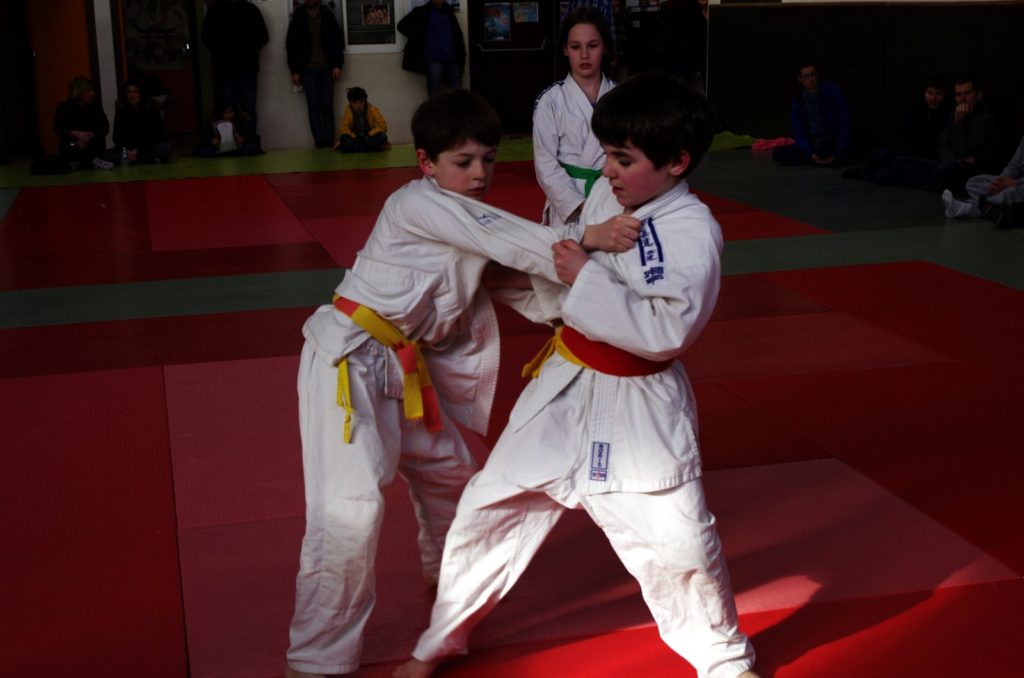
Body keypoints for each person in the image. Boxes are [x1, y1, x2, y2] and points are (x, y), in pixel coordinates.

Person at [393, 72, 760, 678]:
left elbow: (667, 331)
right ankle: (439, 642)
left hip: (639, 405)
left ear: (677, 162)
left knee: (680, 546)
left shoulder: (693, 231)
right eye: (606, 155)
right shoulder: (608, 199)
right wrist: (503, 275)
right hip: (565, 383)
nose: (606, 171)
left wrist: (583, 277)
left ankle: (725, 662)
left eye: (623, 160)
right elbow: (563, 272)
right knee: (487, 506)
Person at [284, 88, 639, 678]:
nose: (479, 174)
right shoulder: (416, 204)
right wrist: (588, 237)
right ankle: (316, 660)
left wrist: (600, 311)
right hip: (348, 361)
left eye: (488, 161)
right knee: (350, 509)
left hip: (402, 367)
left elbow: (515, 279)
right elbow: (505, 238)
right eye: (463, 161)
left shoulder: (468, 227)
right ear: (426, 162)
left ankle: (451, 583)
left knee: (452, 474)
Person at [532, 7, 616, 230]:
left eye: (593, 45)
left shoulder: (621, 97)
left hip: (613, 196)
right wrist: (579, 205)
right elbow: (545, 164)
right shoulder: (550, 101)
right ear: (565, 50)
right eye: (576, 47)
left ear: (605, 47)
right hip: (569, 205)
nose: (584, 55)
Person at [893, 75, 1003, 193]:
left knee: (946, 171)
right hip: (950, 163)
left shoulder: (986, 119)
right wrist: (951, 160)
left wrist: (958, 122)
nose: (962, 99)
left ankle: (936, 185)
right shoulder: (956, 112)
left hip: (972, 171)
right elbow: (942, 143)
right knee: (901, 163)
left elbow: (964, 151)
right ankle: (937, 184)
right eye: (958, 94)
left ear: (978, 95)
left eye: (967, 93)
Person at [848, 76, 950, 185]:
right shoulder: (917, 109)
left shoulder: (946, 114)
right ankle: (864, 171)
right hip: (907, 150)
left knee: (892, 169)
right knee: (882, 154)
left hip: (925, 157)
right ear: (924, 93)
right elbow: (905, 133)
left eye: (938, 94)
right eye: (930, 93)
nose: (934, 98)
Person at [201, 0, 269, 141]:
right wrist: (249, 51)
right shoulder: (249, 9)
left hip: (231, 66)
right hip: (241, 66)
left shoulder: (217, 10)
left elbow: (206, 37)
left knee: (236, 107)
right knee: (238, 108)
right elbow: (263, 36)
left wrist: (220, 53)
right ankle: (243, 142)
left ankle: (236, 143)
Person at [286, 0, 345, 148]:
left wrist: (337, 65)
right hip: (307, 69)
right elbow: (291, 46)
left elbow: (337, 41)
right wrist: (294, 71)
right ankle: (319, 141)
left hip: (327, 67)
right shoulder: (298, 17)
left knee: (327, 105)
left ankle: (329, 140)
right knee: (313, 106)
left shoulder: (327, 15)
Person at [773, 60, 851, 167]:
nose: (810, 79)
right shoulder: (798, 101)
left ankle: (831, 158)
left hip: (831, 141)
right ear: (799, 79)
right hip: (813, 144)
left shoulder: (831, 91)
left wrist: (840, 151)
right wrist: (811, 154)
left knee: (832, 149)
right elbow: (798, 130)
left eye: (812, 75)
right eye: (806, 77)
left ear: (817, 75)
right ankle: (821, 160)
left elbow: (844, 123)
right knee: (778, 153)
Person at [942, 132, 1024, 228]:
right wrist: (999, 182)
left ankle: (966, 208)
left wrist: (1015, 183)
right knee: (974, 182)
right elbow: (1014, 165)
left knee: (1010, 192)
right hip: (1012, 182)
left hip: (1019, 184)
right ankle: (990, 207)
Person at [397, 0, 465, 99]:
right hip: (434, 59)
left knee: (458, 95)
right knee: (435, 95)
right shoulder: (422, 12)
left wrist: (461, 58)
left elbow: (458, 36)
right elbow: (401, 26)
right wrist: (418, 38)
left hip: (453, 60)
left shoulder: (449, 12)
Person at [54, 75, 113, 170]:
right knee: (67, 144)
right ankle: (86, 160)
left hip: (90, 143)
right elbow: (58, 128)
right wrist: (75, 134)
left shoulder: (95, 106)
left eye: (92, 91)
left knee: (94, 144)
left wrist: (91, 134)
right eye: (88, 91)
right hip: (73, 143)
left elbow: (105, 127)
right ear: (79, 92)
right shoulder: (64, 107)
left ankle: (82, 161)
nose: (93, 94)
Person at [112, 78, 172, 165]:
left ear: (141, 93)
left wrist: (138, 150)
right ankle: (146, 160)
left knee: (166, 147)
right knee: (107, 155)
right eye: (129, 92)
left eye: (136, 92)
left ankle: (136, 160)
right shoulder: (121, 109)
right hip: (128, 148)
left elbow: (156, 135)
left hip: (147, 146)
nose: (132, 95)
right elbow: (116, 137)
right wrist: (127, 150)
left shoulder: (150, 107)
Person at [335, 86, 389, 153]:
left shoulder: (373, 110)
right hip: (355, 138)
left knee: (382, 136)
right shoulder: (348, 112)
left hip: (369, 137)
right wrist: (353, 135)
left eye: (361, 102)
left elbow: (383, 126)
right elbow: (344, 129)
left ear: (365, 101)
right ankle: (369, 148)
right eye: (355, 103)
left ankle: (357, 148)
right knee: (343, 138)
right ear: (350, 103)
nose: (358, 106)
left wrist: (370, 134)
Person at [197, 101, 261, 157]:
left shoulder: (240, 120)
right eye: (225, 113)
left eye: (230, 112)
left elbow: (249, 135)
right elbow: (205, 138)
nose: (228, 115)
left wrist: (243, 139)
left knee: (250, 148)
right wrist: (212, 141)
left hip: (237, 148)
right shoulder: (214, 122)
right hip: (219, 150)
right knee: (206, 151)